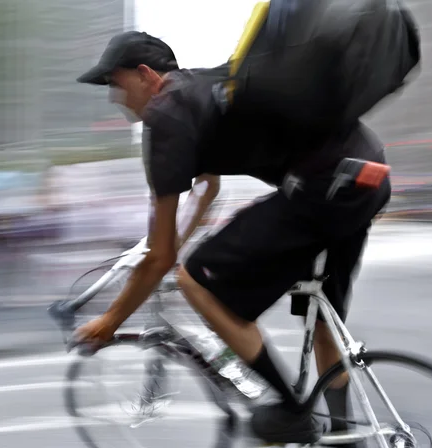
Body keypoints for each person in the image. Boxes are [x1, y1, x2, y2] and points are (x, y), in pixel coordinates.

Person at [74, 30, 391, 446]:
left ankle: (289, 410)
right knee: (321, 315)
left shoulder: (165, 115)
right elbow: (207, 187)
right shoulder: (205, 87)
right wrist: (169, 245)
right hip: (367, 174)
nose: (114, 96)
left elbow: (162, 255)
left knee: (196, 281)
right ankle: (352, 437)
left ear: (146, 74)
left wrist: (110, 321)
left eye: (115, 82)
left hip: (323, 186)